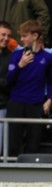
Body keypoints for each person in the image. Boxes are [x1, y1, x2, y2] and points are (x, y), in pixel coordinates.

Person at [6, 20, 52, 157]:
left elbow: (50, 81)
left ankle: (28, 177)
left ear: (35, 35)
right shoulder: (16, 55)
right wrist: (20, 65)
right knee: (13, 144)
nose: (21, 39)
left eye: (24, 36)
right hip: (16, 102)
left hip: (36, 104)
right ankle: (10, 176)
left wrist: (49, 99)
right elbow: (8, 79)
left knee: (33, 144)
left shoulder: (48, 58)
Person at [0, 21, 12, 156]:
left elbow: (10, 82)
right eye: (3, 35)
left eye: (8, 36)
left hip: (2, 107)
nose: (6, 38)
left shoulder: (11, 56)